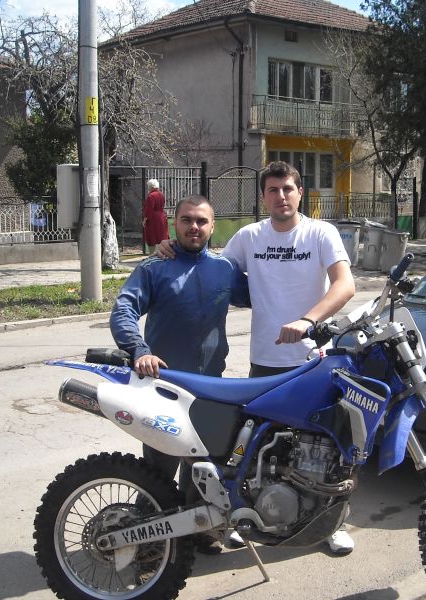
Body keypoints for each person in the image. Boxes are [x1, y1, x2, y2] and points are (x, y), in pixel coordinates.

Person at [159, 161, 357, 554]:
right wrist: (171, 249)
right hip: (265, 361)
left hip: (313, 360)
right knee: (254, 450)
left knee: (327, 449)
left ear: (300, 193)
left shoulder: (320, 233)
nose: (281, 196)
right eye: (273, 190)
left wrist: (308, 320)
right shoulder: (250, 237)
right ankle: (242, 518)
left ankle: (328, 525)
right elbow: (209, 268)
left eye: (288, 189)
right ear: (263, 197)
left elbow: (345, 284)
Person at [110, 194, 249, 553]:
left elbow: (265, 294)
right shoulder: (154, 267)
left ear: (213, 226)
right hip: (164, 389)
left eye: (201, 221)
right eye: (187, 220)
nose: (194, 227)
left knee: (203, 465)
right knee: (158, 469)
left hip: (210, 390)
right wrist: (140, 351)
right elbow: (124, 309)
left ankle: (198, 532)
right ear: (175, 224)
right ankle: (146, 542)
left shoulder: (225, 269)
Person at [142, 178, 169, 252]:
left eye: (149, 186)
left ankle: (152, 253)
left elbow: (149, 209)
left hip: (153, 218)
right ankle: (162, 252)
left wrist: (145, 220)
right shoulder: (161, 194)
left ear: (151, 187)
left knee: (152, 236)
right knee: (161, 235)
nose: (148, 188)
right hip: (162, 216)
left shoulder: (151, 196)